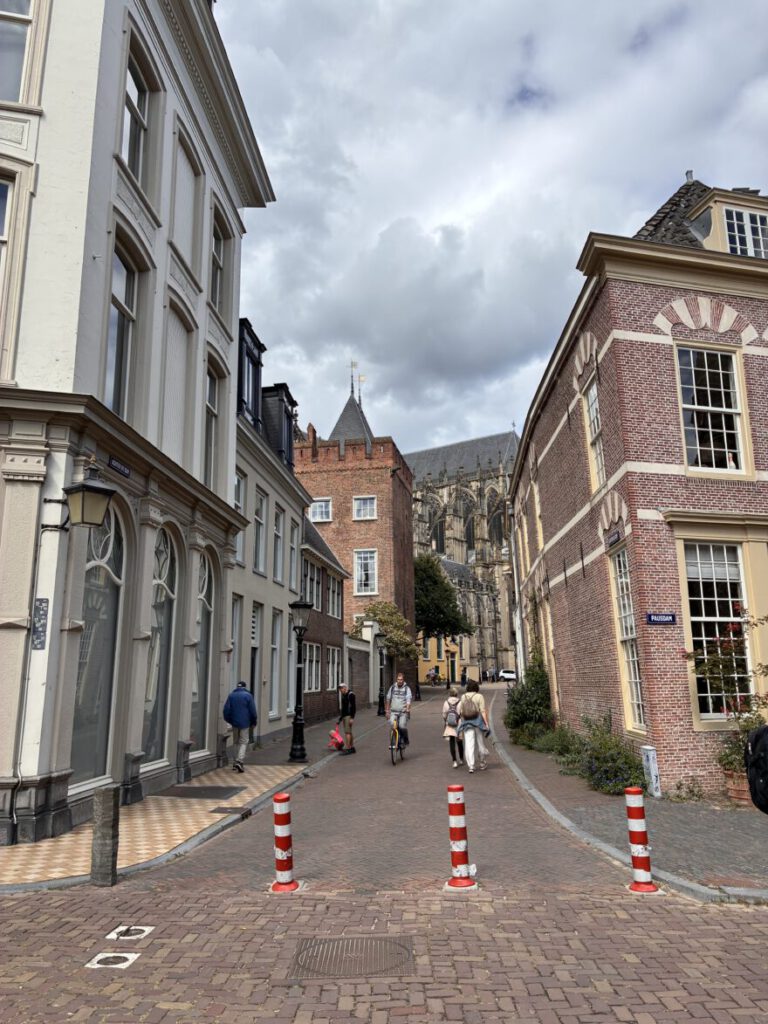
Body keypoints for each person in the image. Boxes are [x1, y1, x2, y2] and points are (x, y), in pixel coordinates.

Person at [223, 681, 257, 773]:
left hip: (235, 723)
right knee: (244, 741)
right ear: (245, 687)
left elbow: (226, 711)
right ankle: (240, 760)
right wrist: (253, 721)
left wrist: (230, 720)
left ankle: (234, 762)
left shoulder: (231, 696)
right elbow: (253, 711)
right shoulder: (248, 696)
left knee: (235, 742)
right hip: (245, 723)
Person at [458, 680, 490, 774]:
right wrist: (486, 723)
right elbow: (483, 711)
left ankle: (471, 765)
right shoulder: (479, 696)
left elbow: (461, 711)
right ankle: (482, 763)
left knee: (469, 744)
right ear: (476, 687)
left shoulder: (463, 696)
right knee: (480, 743)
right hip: (478, 722)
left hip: (467, 722)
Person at [385, 672, 412, 746]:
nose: (399, 681)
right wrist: (387, 711)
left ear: (403, 680)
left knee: (402, 726)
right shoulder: (392, 687)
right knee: (393, 726)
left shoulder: (407, 689)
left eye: (401, 679)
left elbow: (408, 701)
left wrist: (407, 709)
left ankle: (405, 739)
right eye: (398, 679)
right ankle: (394, 740)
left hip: (403, 712)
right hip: (393, 712)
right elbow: (388, 699)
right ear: (396, 680)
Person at [442, 686, 464, 768]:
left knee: (452, 742)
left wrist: (446, 720)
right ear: (456, 694)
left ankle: (454, 761)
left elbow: (444, 714)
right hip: (458, 723)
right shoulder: (460, 702)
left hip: (450, 724)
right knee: (460, 742)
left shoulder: (446, 702)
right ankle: (461, 759)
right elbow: (462, 713)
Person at [338, 681, 356, 755]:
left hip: (349, 716)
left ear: (345, 688)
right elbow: (344, 708)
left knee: (347, 732)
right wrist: (341, 717)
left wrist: (352, 717)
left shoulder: (351, 695)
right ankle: (352, 747)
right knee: (349, 732)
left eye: (341, 688)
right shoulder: (343, 695)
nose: (340, 690)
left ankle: (348, 748)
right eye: (339, 689)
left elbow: (353, 707)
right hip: (345, 716)